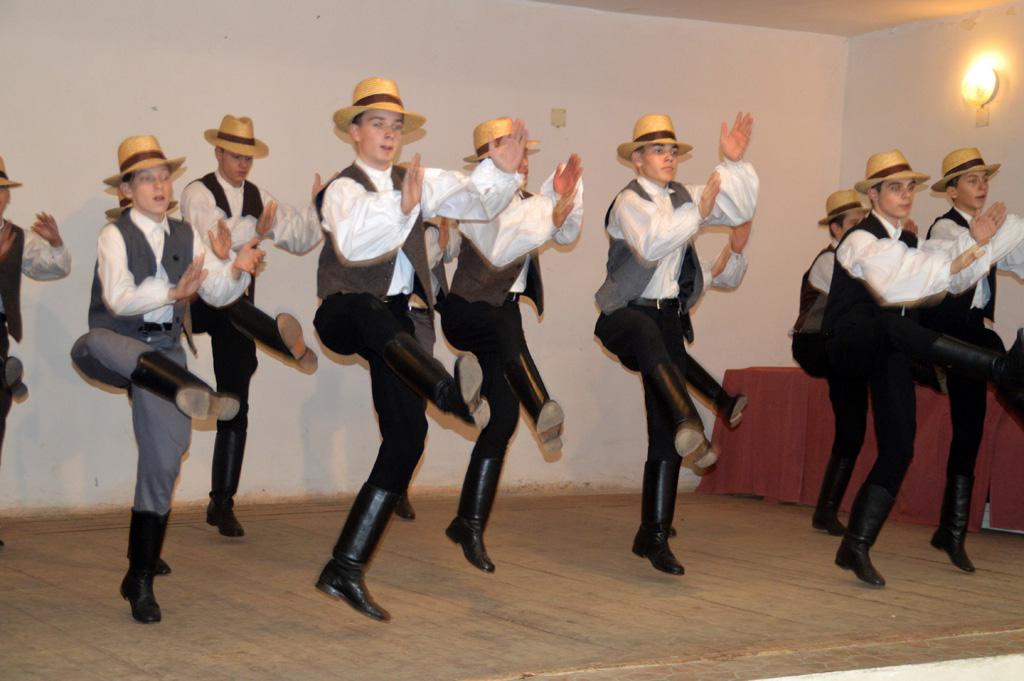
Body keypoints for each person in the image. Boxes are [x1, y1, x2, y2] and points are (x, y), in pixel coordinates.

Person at [311, 77, 527, 621]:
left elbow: (471, 196)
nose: (389, 134)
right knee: (371, 313)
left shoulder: (415, 180)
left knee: (407, 439)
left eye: (395, 126)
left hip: (393, 323)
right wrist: (403, 206)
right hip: (344, 311)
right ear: (354, 132)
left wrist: (500, 171)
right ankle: (450, 394)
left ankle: (345, 566)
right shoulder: (342, 188)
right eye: (377, 124)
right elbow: (355, 245)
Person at [70, 135, 262, 623]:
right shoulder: (113, 235)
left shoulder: (186, 234)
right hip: (116, 345)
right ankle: (186, 389)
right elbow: (118, 298)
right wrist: (172, 292)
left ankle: (138, 574)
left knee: (164, 461)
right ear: (126, 190)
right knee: (91, 341)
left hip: (167, 355)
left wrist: (236, 269)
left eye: (163, 177)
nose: (158, 186)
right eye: (146, 179)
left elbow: (215, 292)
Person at [823, 149, 1024, 587]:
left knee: (900, 446)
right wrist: (967, 248)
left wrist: (975, 246)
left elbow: (948, 279)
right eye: (895, 187)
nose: (905, 194)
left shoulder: (912, 242)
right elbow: (895, 282)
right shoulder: (859, 240)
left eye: (909, 187)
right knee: (890, 323)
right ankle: (999, 368)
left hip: (889, 347)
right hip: (849, 342)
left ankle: (855, 544)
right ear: (873, 195)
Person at [594, 112, 758, 575]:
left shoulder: (684, 198)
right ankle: (694, 416)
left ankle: (653, 535)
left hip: (666, 318)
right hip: (625, 314)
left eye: (672, 151)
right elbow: (651, 245)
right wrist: (699, 212)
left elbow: (738, 210)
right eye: (658, 151)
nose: (668, 157)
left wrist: (734, 163)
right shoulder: (628, 202)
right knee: (650, 336)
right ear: (637, 159)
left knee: (662, 432)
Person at [439, 117, 582, 572]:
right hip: (467, 312)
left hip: (502, 320)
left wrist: (560, 200)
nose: (522, 160)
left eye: (524, 152)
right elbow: (500, 246)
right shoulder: (476, 201)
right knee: (506, 324)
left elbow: (565, 233)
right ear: (489, 160)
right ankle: (540, 405)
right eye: (512, 151)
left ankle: (468, 523)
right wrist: (549, 212)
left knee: (501, 420)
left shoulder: (530, 202)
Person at [180, 114, 320, 538]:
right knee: (226, 305)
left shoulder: (261, 197)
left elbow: (300, 237)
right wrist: (256, 230)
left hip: (236, 310)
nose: (242, 164)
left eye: (248, 157)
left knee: (235, 399)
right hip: (197, 300)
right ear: (218, 152)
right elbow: (214, 236)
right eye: (235, 156)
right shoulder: (197, 192)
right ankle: (282, 341)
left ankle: (222, 503)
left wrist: (321, 206)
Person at [921, 148, 1024, 572]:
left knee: (970, 428)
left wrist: (1008, 234)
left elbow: (1016, 255)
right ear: (951, 191)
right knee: (978, 413)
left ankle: (950, 529)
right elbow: (962, 268)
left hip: (975, 331)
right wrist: (1004, 232)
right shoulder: (944, 228)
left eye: (984, 179)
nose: (982, 186)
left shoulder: (991, 230)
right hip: (952, 334)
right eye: (971, 180)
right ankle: (953, 530)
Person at [0, 156, 71, 548]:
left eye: (1, 189)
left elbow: (53, 268)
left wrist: (56, 243)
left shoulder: (15, 236)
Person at [791, 190, 870, 535]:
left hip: (845, 346)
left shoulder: (862, 258)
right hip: (815, 343)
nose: (861, 229)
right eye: (854, 223)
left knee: (853, 428)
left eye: (863, 222)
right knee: (852, 422)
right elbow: (860, 298)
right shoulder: (829, 260)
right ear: (836, 229)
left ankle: (825, 511)